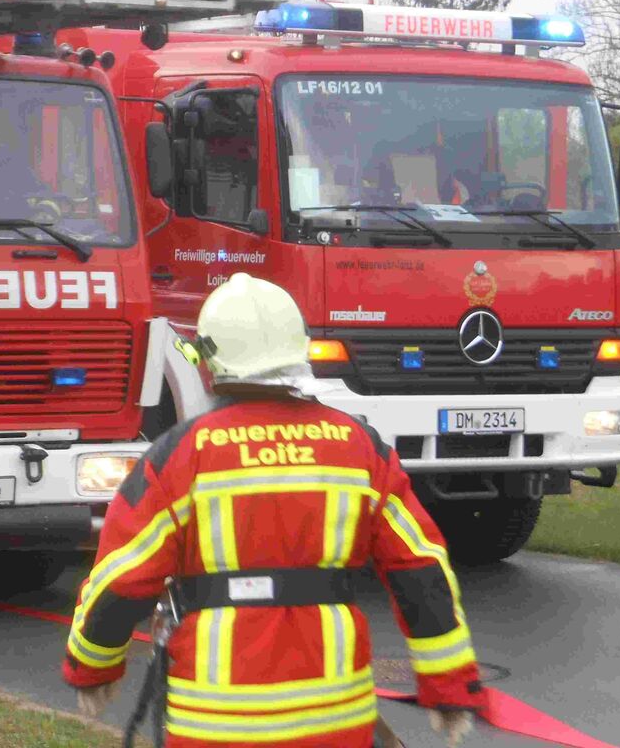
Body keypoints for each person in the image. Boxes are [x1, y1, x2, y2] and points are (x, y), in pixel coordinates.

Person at [61, 273, 482, 747]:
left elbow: (122, 577)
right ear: (300, 351)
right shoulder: (359, 447)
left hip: (214, 724)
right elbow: (421, 569)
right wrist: (450, 687)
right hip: (335, 720)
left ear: (209, 363)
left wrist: (91, 666)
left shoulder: (180, 455)